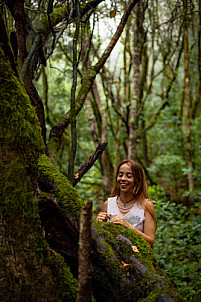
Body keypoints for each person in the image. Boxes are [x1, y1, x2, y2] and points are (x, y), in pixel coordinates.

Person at [96, 159, 156, 247]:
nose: (123, 179)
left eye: (129, 176)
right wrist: (97, 224)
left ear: (137, 180)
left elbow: (151, 242)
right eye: (120, 175)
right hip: (111, 258)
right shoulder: (108, 204)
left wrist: (128, 226)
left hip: (137, 258)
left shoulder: (146, 205)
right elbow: (100, 239)